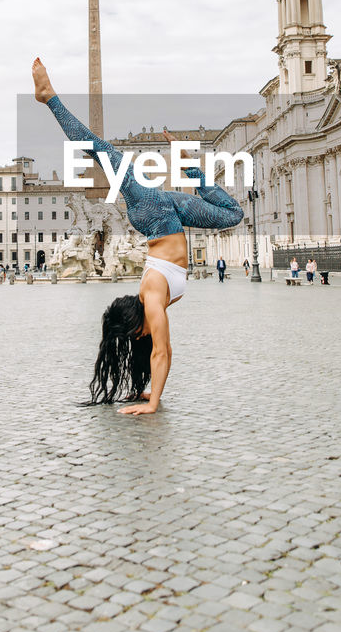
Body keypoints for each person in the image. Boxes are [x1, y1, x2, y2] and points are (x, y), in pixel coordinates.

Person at [33, 58, 243, 414]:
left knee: (102, 151)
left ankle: (49, 97)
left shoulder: (152, 297)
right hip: (168, 218)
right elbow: (165, 352)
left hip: (154, 213)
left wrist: (153, 403)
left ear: (135, 329)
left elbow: (161, 350)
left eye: (134, 338)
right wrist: (150, 394)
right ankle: (188, 164)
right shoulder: (153, 304)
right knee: (234, 214)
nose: (141, 342)